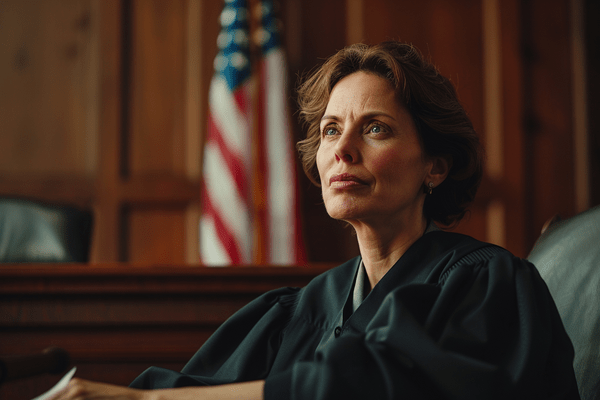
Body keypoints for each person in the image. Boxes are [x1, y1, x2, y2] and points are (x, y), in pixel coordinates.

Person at [52, 41, 580, 399]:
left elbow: (378, 386)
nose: (342, 150)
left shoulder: (487, 285)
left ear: (435, 167)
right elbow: (196, 390)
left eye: (374, 129)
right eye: (330, 130)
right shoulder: (301, 311)